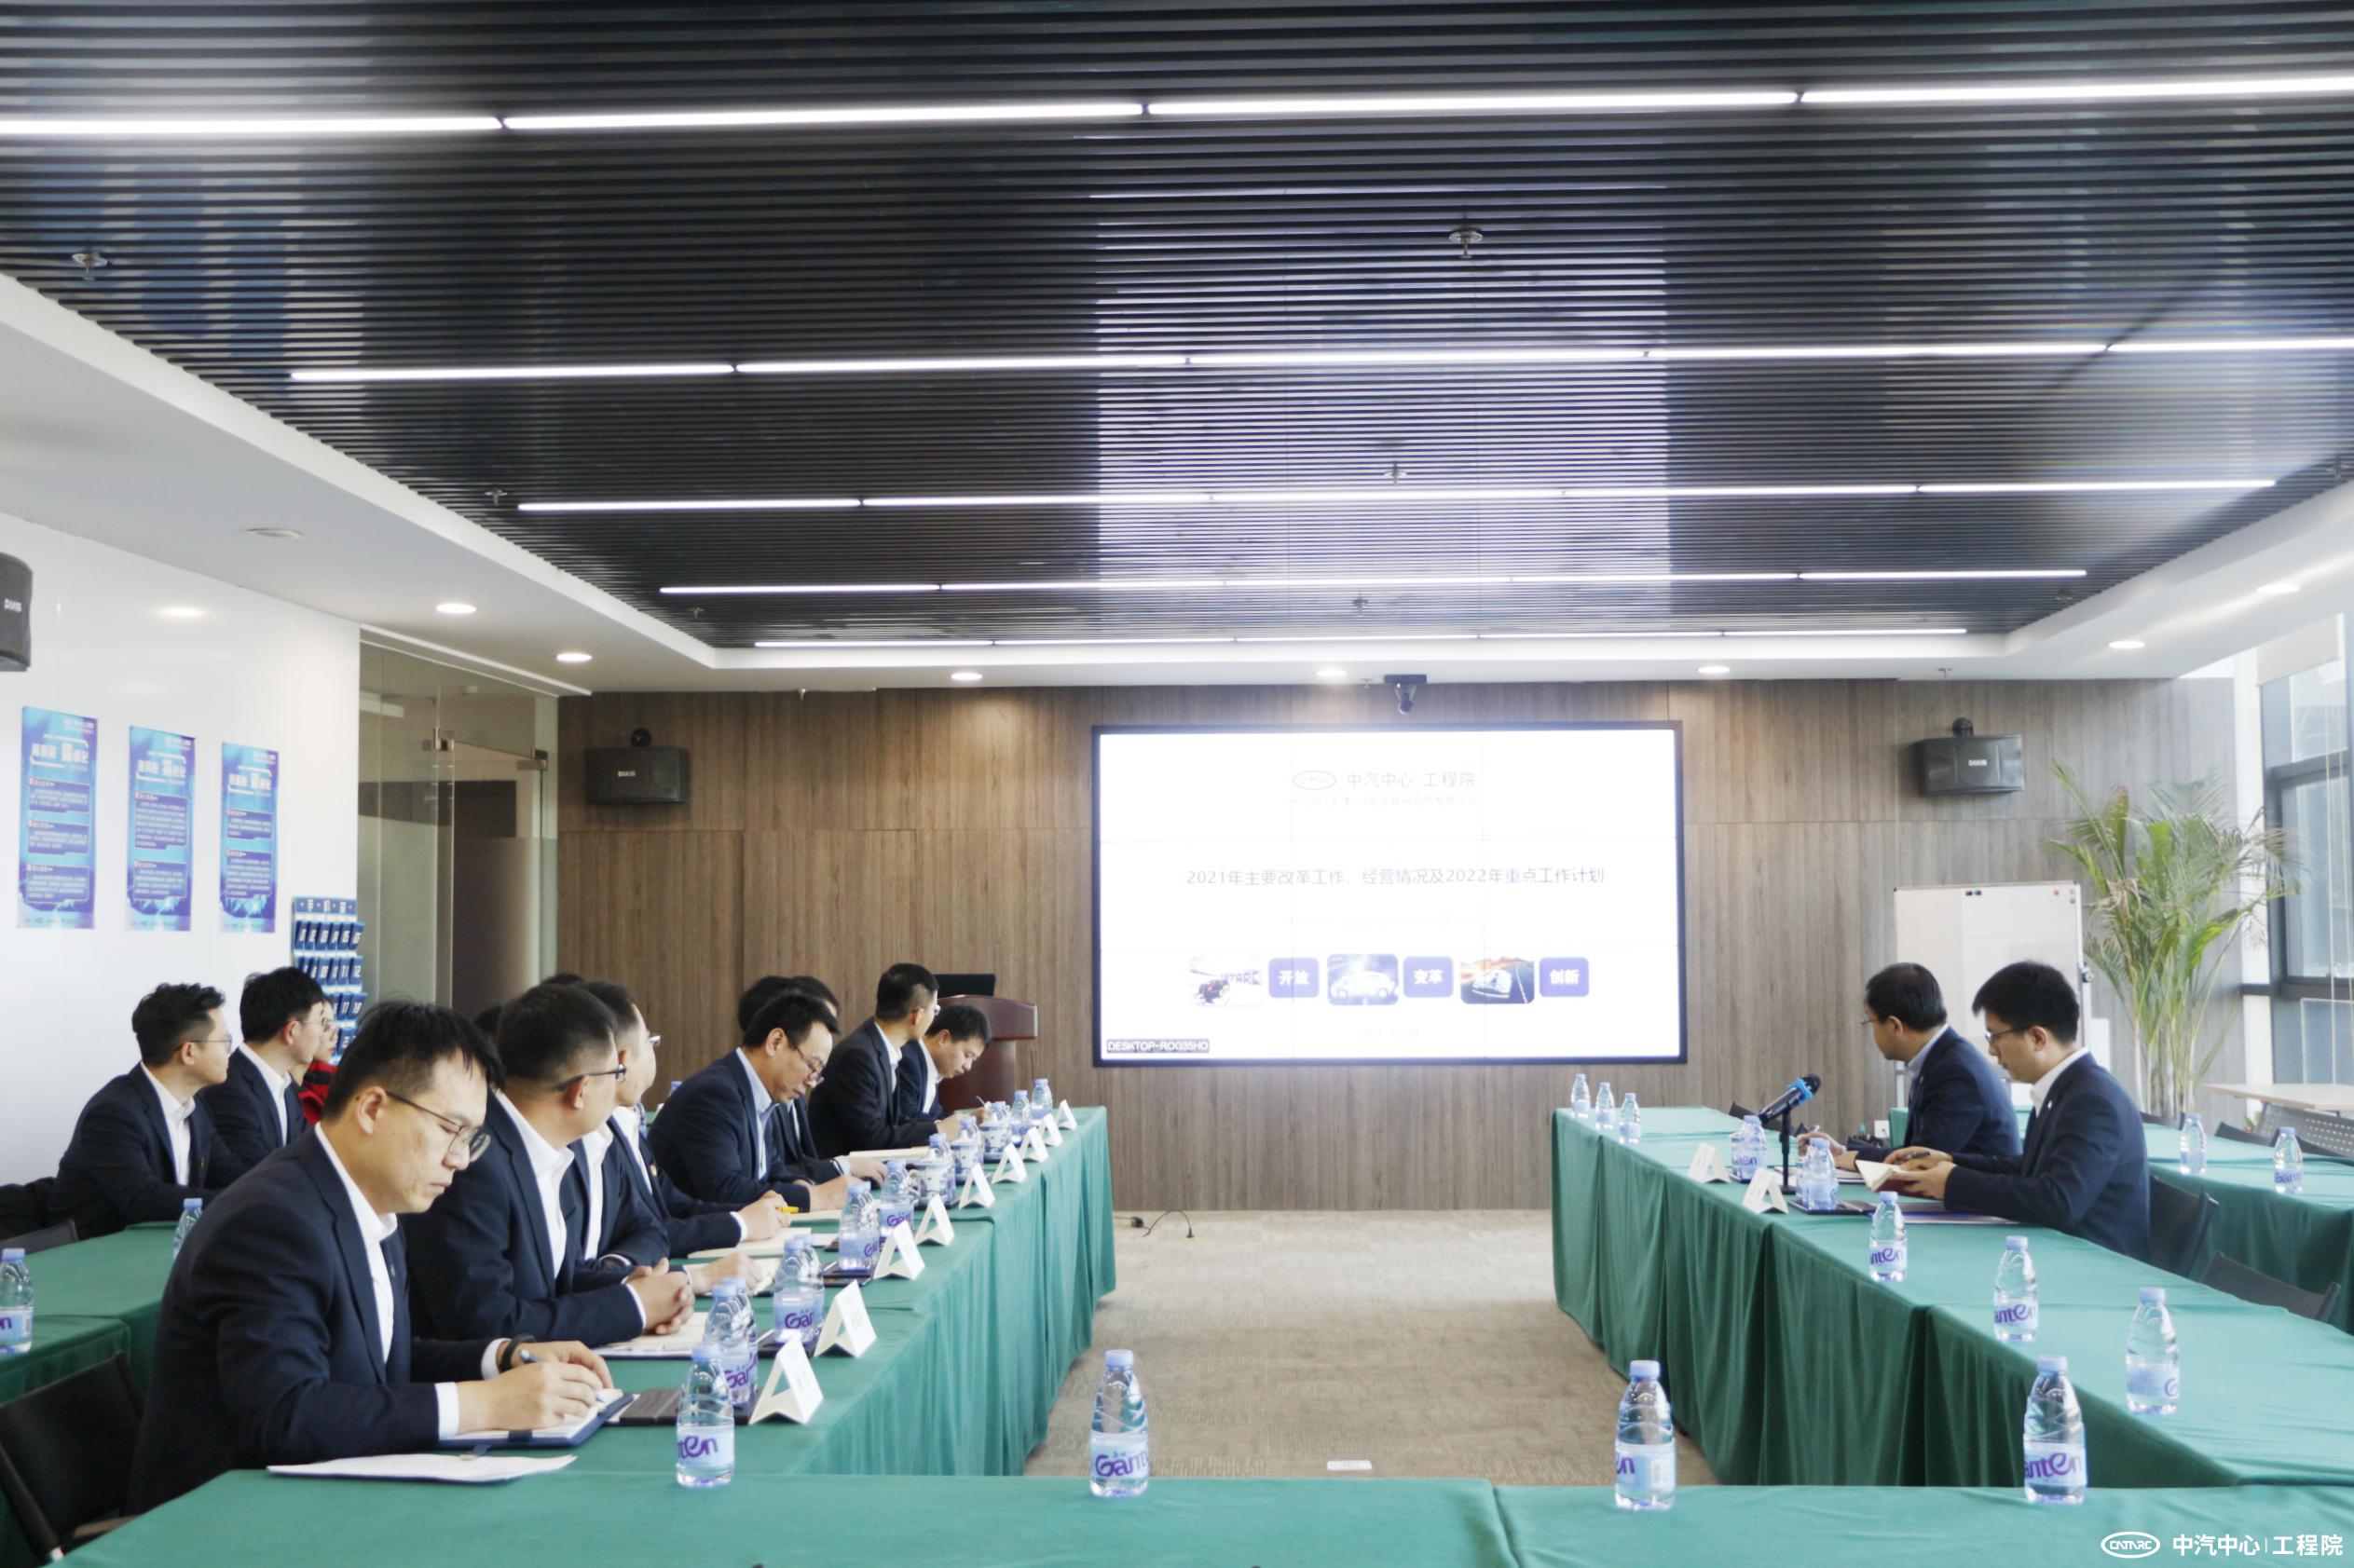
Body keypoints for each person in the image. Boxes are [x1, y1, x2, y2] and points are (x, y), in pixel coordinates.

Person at [126, 1001, 612, 1510]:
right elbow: (285, 1415)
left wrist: (503, 1358)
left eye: (471, 1138)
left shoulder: (367, 1200)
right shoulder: (272, 1221)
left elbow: (375, 1361)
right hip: (221, 1521)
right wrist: (482, 1404)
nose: (460, 1159)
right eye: (450, 1129)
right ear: (372, 1108)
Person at [402, 983, 694, 1346]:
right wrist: (633, 1306)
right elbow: (487, 1322)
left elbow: (555, 1282)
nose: (620, 1084)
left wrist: (635, 1288)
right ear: (581, 1091)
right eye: (616, 1073)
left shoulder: (547, 1150)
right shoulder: (474, 1163)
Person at [1886, 961, 2152, 1261]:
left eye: (1996, 1036)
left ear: (2038, 1037)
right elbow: (2030, 1170)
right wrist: (1950, 1161)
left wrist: (1954, 1181)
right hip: (2059, 1253)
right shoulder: (2067, 1087)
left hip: (2097, 1266)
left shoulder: (2092, 1101)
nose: (1991, 1050)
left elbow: (2059, 1201)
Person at [571, 977, 785, 1264]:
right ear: (622, 1060)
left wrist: (749, 1213)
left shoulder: (624, 1123)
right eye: (650, 1041)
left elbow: (671, 1203)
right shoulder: (592, 1139)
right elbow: (640, 1232)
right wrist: (740, 1224)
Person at [649, 989, 880, 1209]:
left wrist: (799, 1185)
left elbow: (772, 1172)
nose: (812, 1082)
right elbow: (723, 1190)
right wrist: (814, 1197)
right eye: (812, 1066)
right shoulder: (714, 1095)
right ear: (776, 1042)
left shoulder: (757, 1092)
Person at [48, 983, 231, 1237]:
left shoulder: (196, 1108)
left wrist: (271, 1187)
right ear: (189, 1052)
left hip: (162, 1244)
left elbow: (227, 1171)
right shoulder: (113, 1113)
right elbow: (144, 1201)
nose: (229, 1052)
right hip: (98, 1252)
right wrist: (235, 1201)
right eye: (225, 1041)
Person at [1807, 963, 2019, 1171]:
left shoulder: (1955, 1072)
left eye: (1870, 1022)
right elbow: (1917, 1152)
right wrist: (1844, 1151)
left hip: (1976, 1194)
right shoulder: (1940, 1057)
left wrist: (1854, 1157)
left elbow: (1919, 1160)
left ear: (1894, 1026)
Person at [808, 963, 968, 1157]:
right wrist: (938, 1130)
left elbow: (894, 1121)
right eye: (934, 1011)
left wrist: (939, 1125)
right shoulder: (858, 1056)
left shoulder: (881, 1048)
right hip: (846, 1169)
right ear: (917, 1016)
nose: (934, 1018)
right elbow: (871, 1137)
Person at [203, 966, 337, 1184]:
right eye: (321, 1022)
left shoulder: (286, 1088)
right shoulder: (229, 1092)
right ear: (292, 1030)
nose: (324, 1033)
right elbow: (259, 1176)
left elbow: (313, 1153)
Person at [906, 1002, 992, 1120]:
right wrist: (961, 1121)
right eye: (967, 1055)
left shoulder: (931, 1066)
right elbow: (907, 1121)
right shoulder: (908, 1062)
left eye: (973, 1059)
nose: (968, 1066)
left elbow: (934, 1117)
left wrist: (969, 1118)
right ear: (943, 1038)